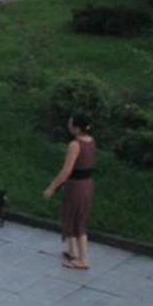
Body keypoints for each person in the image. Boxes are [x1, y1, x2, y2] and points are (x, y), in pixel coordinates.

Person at [43, 112, 99, 269]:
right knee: (75, 216)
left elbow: (66, 170)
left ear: (77, 128)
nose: (68, 125)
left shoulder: (75, 145)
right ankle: (72, 251)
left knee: (76, 219)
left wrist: (51, 188)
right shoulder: (91, 141)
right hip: (87, 183)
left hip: (76, 186)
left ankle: (83, 259)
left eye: (70, 123)